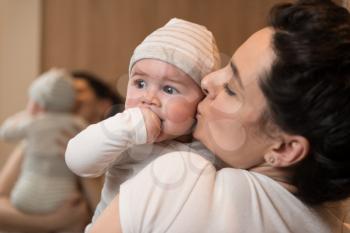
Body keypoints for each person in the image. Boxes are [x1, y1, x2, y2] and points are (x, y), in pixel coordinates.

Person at [89, 1, 350, 232]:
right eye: (225, 67)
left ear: (284, 148)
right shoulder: (337, 223)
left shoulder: (179, 182)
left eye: (231, 89)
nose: (207, 81)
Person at [65, 18, 221, 231]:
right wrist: (126, 127)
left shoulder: (208, 151)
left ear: (201, 102)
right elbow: (77, 160)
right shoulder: (128, 139)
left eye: (168, 89)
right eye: (140, 83)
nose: (148, 98)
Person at [0, 70, 121, 232]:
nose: (72, 97)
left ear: (103, 105)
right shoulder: (35, 140)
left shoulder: (118, 152)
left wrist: (80, 160)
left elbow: (111, 214)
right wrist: (51, 221)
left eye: (78, 91)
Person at [0, 69, 86, 214]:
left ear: (38, 103)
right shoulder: (76, 123)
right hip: (63, 196)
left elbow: (5, 133)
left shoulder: (32, 122)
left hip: (27, 194)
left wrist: (26, 115)